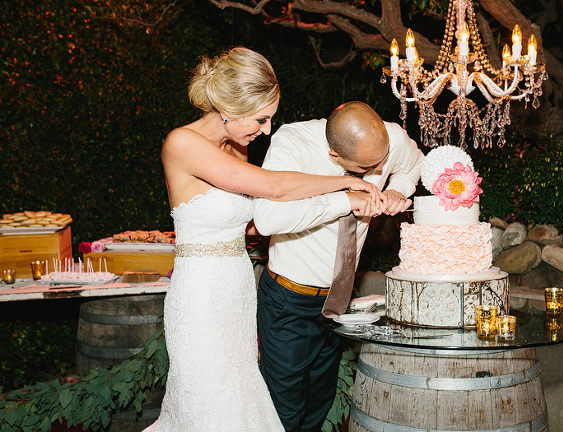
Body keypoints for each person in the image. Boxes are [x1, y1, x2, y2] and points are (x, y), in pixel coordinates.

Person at [150, 47, 382, 431]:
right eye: (261, 119)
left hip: (238, 288)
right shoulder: (182, 143)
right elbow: (273, 186)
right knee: (205, 399)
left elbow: (254, 218)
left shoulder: (238, 146)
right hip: (201, 295)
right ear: (229, 108)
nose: (266, 130)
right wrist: (345, 182)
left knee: (240, 398)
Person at [252, 101, 422, 432]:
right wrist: (345, 199)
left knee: (319, 403)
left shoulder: (388, 139)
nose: (378, 168)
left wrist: (396, 191)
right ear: (335, 157)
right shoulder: (293, 142)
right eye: (368, 167)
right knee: (283, 411)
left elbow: (413, 163)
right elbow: (267, 218)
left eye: (382, 162)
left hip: (338, 302)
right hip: (290, 301)